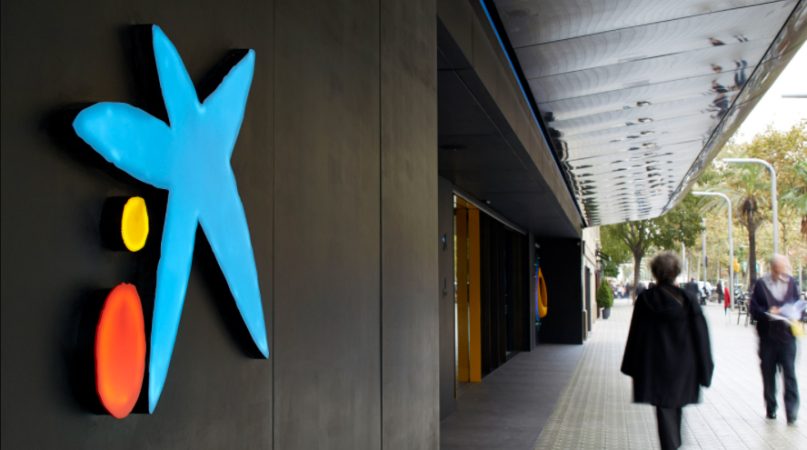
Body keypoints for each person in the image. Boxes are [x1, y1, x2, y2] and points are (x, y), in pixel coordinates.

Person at [622, 252, 714, 450]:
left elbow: (636, 335)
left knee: (665, 409)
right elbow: (701, 336)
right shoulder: (688, 300)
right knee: (674, 407)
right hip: (684, 367)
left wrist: (631, 367)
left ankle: (671, 444)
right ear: (676, 272)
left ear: (655, 272)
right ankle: (673, 443)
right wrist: (705, 369)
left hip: (656, 366)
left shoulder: (645, 300)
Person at [749, 254, 801, 424]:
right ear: (772, 268)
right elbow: (754, 309)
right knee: (768, 374)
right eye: (779, 269)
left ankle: (791, 412)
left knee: (790, 374)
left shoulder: (791, 283)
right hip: (768, 338)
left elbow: (798, 305)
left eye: (784, 268)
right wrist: (767, 312)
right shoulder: (761, 285)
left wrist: (796, 313)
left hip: (787, 337)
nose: (782, 272)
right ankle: (771, 407)